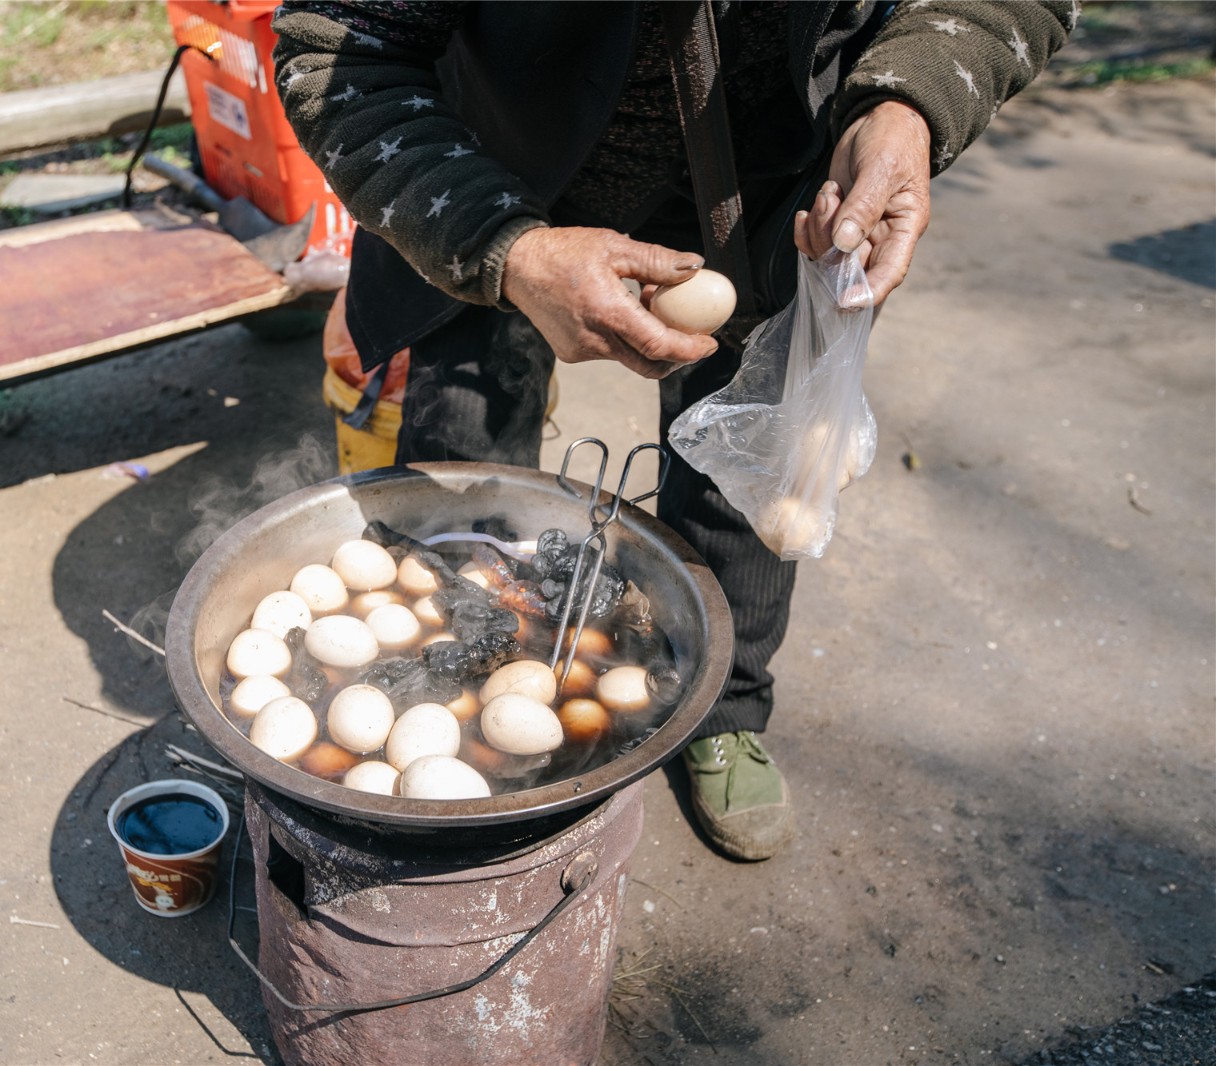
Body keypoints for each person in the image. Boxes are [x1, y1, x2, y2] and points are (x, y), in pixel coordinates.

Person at [272, 1, 1074, 860]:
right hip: (486, 167)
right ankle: (431, 678)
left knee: (744, 477)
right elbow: (336, 50)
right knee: (461, 470)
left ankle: (722, 709)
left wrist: (908, 105)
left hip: (772, 192)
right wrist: (504, 246)